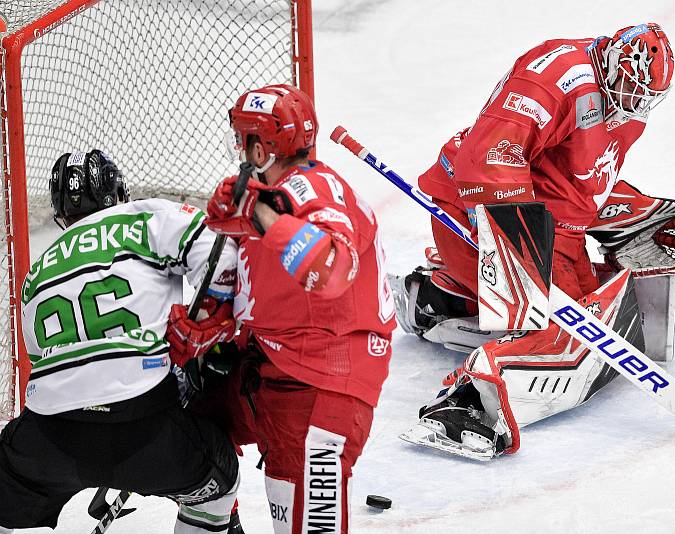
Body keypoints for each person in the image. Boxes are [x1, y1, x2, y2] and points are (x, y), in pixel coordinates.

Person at [395, 24, 675, 460]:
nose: (635, 103)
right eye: (630, 87)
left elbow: (576, 179)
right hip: (476, 208)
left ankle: (443, 297)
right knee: (564, 331)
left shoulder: (625, 101)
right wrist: (514, 241)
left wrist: (625, 213)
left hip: (545, 220)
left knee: (593, 311)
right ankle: (469, 404)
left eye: (644, 95)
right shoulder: (555, 77)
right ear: (612, 62)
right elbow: (488, 157)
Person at [174, 84, 395, 533]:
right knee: (183, 431)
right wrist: (213, 332)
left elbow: (332, 269)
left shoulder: (317, 189)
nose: (239, 148)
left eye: (245, 138)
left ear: (265, 145)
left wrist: (259, 216)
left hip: (324, 383)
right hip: (272, 364)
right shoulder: (267, 196)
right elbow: (258, 287)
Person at [0, 150, 242, 532]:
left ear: (61, 210)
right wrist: (205, 334)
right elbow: (224, 257)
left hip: (49, 438)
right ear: (118, 192)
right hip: (146, 429)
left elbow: (42, 363)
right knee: (218, 485)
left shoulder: (37, 272)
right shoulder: (148, 217)